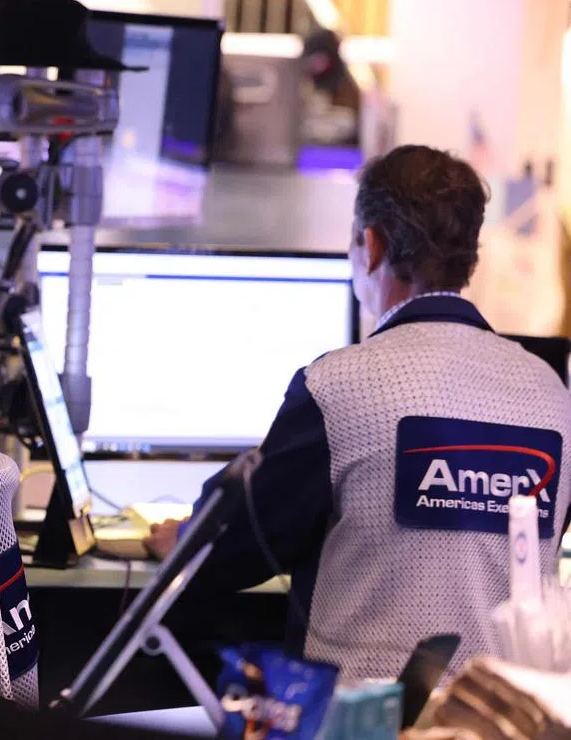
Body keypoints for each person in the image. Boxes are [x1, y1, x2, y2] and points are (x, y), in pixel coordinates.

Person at [144, 145, 571, 682]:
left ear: (371, 246)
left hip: (354, 718)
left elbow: (240, 543)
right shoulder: (552, 392)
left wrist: (185, 537)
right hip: (498, 718)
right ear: (470, 257)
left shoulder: (338, 385)